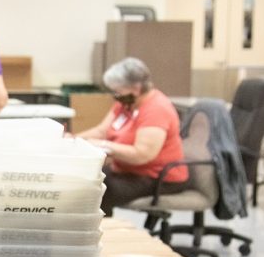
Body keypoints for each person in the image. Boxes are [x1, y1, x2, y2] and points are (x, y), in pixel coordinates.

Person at [74, 57, 189, 216]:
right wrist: (74, 140)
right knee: (85, 177)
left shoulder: (156, 109)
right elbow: (102, 131)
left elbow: (142, 155)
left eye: (118, 90)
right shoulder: (126, 104)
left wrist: (105, 145)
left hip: (157, 178)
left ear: (135, 88)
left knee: (99, 189)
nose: (115, 95)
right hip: (127, 171)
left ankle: (102, 233)